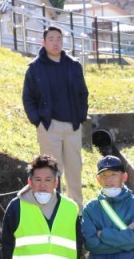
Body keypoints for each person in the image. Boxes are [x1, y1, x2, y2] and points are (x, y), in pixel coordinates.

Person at [22, 26, 90, 208]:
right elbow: (28, 97)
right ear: (43, 43)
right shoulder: (35, 68)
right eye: (51, 39)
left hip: (73, 126)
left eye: (58, 38)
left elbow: (83, 93)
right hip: (49, 126)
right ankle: (52, 209)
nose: (55, 42)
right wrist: (38, 121)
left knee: (74, 170)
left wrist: (81, 116)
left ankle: (77, 212)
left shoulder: (73, 65)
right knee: (51, 172)